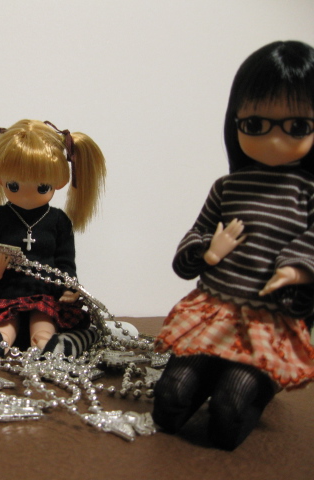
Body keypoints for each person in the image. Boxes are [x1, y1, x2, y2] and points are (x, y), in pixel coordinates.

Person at [153, 40, 314, 450]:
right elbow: (194, 237)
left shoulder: (308, 192)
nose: (274, 141)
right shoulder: (227, 187)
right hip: (216, 311)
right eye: (256, 125)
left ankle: (257, 382)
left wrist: (296, 268)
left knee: (230, 409)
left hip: (267, 321)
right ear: (236, 121)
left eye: (296, 127)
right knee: (170, 399)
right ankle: (208, 375)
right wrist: (209, 252)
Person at [0, 119, 107, 359]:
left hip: (45, 297)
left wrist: (70, 287)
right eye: (14, 185)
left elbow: (65, 262)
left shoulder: (58, 221)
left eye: (42, 187)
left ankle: (53, 344)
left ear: (59, 183)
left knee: (43, 329)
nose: (26, 195)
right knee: (2, 331)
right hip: (6, 296)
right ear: (0, 180)